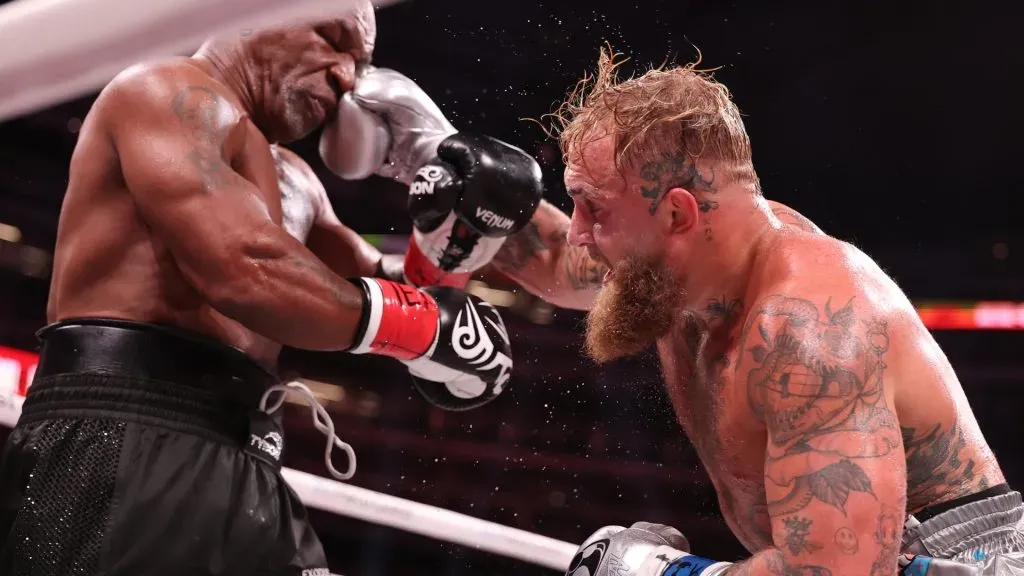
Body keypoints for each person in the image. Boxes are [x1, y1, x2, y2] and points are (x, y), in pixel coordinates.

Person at [340, 48, 1024, 574]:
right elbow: (554, 258)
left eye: (593, 209)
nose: (577, 231)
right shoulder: (681, 263)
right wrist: (435, 155)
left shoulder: (808, 324)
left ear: (676, 212)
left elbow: (842, 572)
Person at [0, 2, 545, 574]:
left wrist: (443, 243)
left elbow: (365, 293)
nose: (345, 75)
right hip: (123, 435)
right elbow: (244, 267)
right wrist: (427, 327)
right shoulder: (165, 92)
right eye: (331, 37)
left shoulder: (297, 177)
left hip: (248, 454)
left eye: (359, 63)